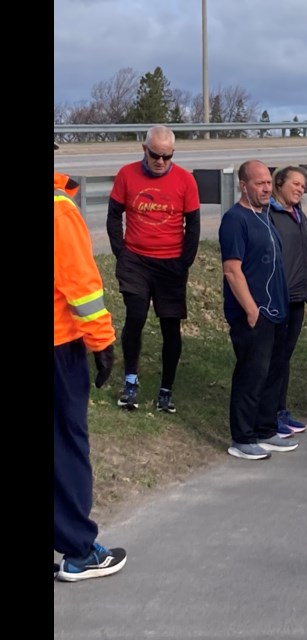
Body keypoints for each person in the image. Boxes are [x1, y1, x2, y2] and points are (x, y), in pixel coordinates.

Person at [54, 155, 128, 582]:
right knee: (67, 446)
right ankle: (80, 550)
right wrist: (102, 343)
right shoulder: (60, 211)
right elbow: (80, 288)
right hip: (60, 347)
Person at [107, 125, 200, 413]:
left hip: (170, 263)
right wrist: (121, 253)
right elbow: (113, 216)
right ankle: (131, 382)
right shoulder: (127, 174)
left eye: (167, 156)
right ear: (144, 149)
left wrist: (184, 261)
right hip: (135, 260)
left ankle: (166, 390)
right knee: (135, 317)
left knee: (170, 326)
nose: (160, 162)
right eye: (155, 155)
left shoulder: (185, 180)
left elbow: (194, 225)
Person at [219, 160, 299, 460]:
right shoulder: (235, 219)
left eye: (269, 182)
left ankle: (265, 429)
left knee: (272, 372)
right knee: (251, 374)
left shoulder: (265, 216)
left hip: (277, 311)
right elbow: (232, 270)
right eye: (259, 183)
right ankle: (243, 437)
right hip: (253, 314)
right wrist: (251, 310)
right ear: (244, 185)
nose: (266, 188)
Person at [268, 166, 307, 436]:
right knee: (274, 358)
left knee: (285, 357)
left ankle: (281, 409)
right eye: (296, 184)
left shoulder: (299, 215)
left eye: (303, 186)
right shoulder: (270, 215)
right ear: (279, 183)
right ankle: (268, 413)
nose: (300, 189)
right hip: (278, 297)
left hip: (298, 296)